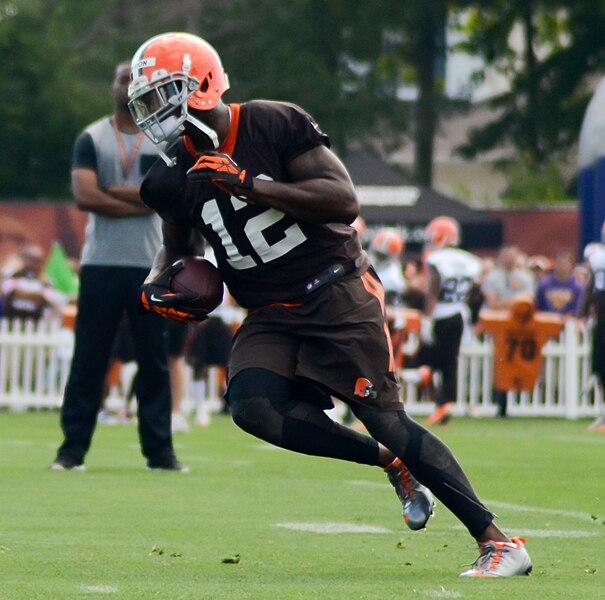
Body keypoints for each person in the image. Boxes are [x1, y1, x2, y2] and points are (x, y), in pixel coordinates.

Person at [127, 32, 532, 576]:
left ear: (202, 83)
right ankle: (392, 463)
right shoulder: (167, 180)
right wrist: (159, 283)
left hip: (335, 288)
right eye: (147, 102)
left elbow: (343, 202)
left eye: (164, 94)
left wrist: (251, 183)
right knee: (253, 406)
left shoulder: (273, 123)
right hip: (270, 311)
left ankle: (499, 543)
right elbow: (178, 249)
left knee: (385, 418)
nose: (156, 113)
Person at [51, 62, 187, 472]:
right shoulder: (91, 137)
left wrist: (117, 192)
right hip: (100, 264)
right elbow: (86, 197)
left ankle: (160, 454)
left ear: (148, 88)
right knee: (89, 359)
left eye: (134, 79)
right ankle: (71, 451)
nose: (126, 85)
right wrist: (141, 198)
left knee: (154, 360)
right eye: (121, 78)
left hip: (152, 264)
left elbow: (168, 195)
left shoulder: (163, 136)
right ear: (112, 86)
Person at [410, 216, 482, 427]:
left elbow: (433, 291)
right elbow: (473, 291)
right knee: (449, 363)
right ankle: (444, 406)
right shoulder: (470, 260)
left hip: (441, 314)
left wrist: (427, 319)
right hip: (459, 313)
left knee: (423, 360)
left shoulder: (437, 258)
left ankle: (437, 398)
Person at [578, 237, 605, 431]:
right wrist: (582, 312)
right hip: (603, 318)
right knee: (599, 364)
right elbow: (591, 287)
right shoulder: (598, 259)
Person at [535, 249, 583, 316]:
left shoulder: (577, 287)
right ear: (555, 264)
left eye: (565, 264)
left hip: (568, 323)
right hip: (546, 321)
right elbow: (538, 307)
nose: (562, 267)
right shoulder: (544, 284)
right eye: (559, 263)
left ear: (571, 266)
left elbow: (576, 309)